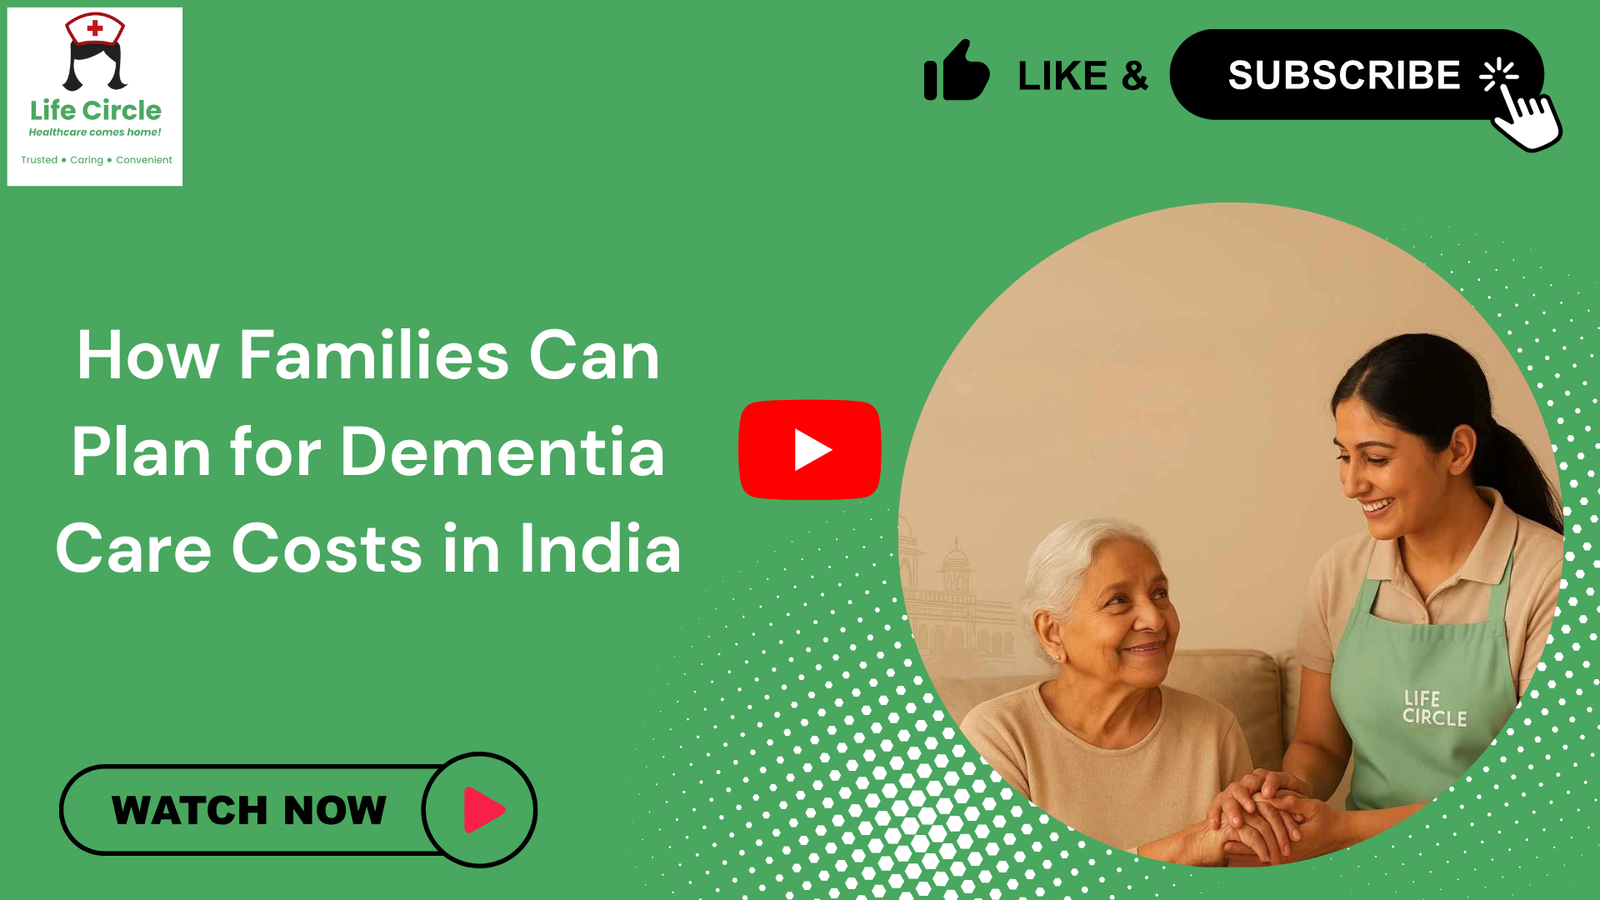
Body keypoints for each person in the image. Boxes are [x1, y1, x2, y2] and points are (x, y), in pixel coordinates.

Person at [1208, 333, 1564, 860]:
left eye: (1374, 458)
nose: (1351, 484)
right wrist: (1287, 790)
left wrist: (1345, 832)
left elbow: (1540, 791)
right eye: (1344, 456)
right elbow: (1319, 745)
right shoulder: (1340, 573)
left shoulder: (1551, 578)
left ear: (1458, 450)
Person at [961, 519, 1299, 865]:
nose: (1154, 619)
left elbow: (1250, 878)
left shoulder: (1214, 729)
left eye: (1159, 594)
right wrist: (1188, 847)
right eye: (1118, 600)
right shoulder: (999, 735)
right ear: (1052, 633)